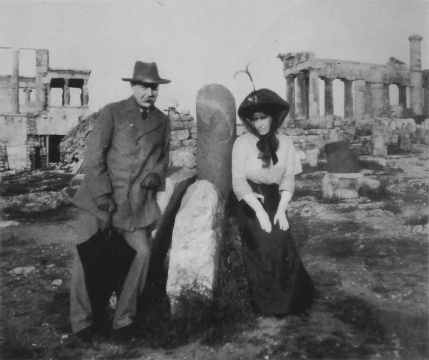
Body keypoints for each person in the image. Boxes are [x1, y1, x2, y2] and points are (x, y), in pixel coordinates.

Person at [70, 61, 171, 342]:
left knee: (142, 255)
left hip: (134, 206)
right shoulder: (112, 112)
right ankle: (82, 323)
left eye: (153, 87)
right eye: (143, 86)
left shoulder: (162, 121)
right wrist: (102, 194)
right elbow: (93, 156)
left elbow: (164, 158)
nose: (149, 92)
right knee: (84, 258)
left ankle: (124, 320)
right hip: (98, 202)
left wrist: (155, 174)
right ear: (133, 86)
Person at [232, 88, 315, 317]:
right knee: (262, 239)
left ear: (273, 117)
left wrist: (280, 210)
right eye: (255, 119)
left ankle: (289, 301)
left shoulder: (286, 143)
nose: (259, 124)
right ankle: (267, 303)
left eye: (263, 117)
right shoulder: (242, 143)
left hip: (275, 198)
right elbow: (238, 181)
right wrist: (258, 211)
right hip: (249, 198)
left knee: (280, 238)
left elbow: (288, 177)